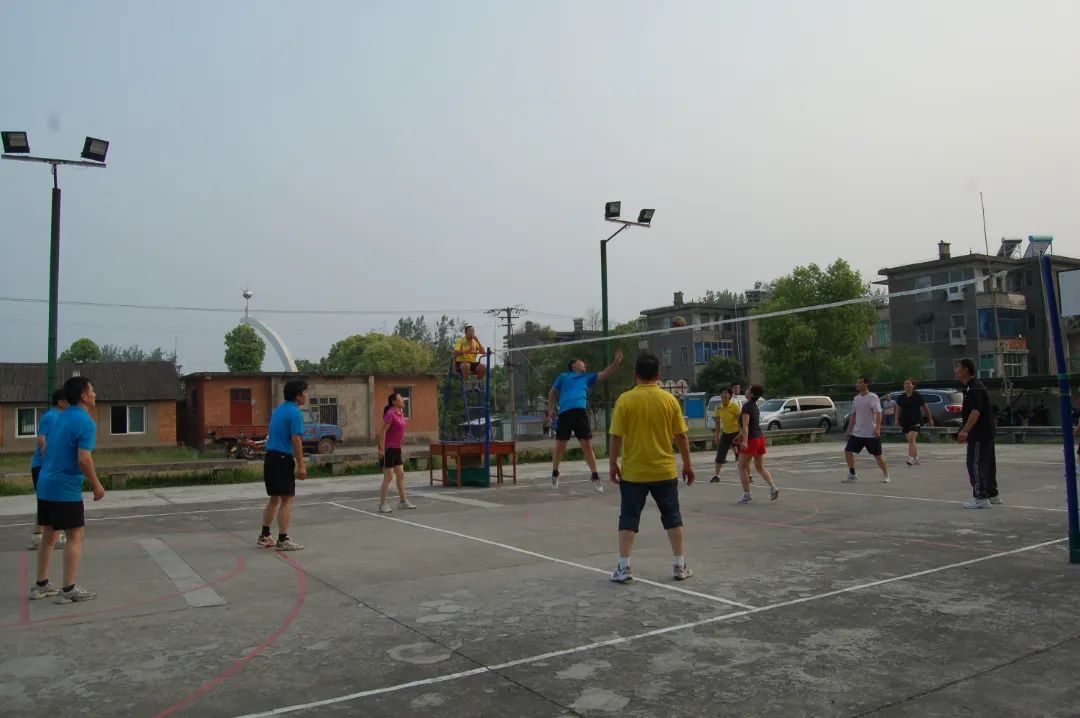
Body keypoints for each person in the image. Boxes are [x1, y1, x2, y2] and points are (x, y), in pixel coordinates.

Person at [608, 353, 695, 583]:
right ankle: (679, 565)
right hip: (664, 470)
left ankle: (624, 567)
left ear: (635, 374)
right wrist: (687, 464)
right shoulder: (669, 400)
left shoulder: (625, 400)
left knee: (628, 518)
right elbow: (681, 436)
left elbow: (616, 437)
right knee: (672, 517)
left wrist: (613, 464)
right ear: (658, 375)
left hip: (634, 472)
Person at [30, 376, 106, 604]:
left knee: (49, 535)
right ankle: (69, 589)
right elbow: (84, 459)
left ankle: (41, 585)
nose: (95, 394)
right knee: (75, 536)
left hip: (46, 484)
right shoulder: (85, 422)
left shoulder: (59, 417)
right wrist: (96, 484)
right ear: (83, 396)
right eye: (92, 390)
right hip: (64, 488)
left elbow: (45, 450)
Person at [548, 349, 624, 492]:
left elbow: (605, 373)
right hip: (565, 414)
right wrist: (550, 409)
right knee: (560, 446)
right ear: (574, 365)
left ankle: (595, 476)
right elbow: (553, 392)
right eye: (582, 362)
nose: (585, 365)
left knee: (587, 446)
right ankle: (555, 473)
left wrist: (616, 363)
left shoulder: (587, 377)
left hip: (580, 414)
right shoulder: (563, 376)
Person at [257, 380, 308, 551]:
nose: (306, 395)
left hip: (271, 457)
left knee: (275, 499)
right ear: (298, 396)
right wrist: (301, 465)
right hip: (282, 459)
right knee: (287, 499)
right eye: (305, 392)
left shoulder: (278, 410)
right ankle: (283, 539)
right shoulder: (295, 413)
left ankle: (265, 535)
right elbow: (296, 440)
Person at [27, 388, 69, 551]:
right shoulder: (51, 417)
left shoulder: (60, 417)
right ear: (61, 402)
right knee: (50, 502)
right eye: (68, 400)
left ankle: (38, 537)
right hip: (43, 466)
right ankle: (46, 537)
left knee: (47, 502)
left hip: (48, 466)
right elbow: (42, 439)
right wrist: (50, 462)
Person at [956, 357, 1000, 508]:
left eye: (958, 368)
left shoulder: (974, 388)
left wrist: (965, 431)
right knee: (987, 464)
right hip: (986, 432)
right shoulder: (972, 387)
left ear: (966, 370)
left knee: (975, 463)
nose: (956, 371)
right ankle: (992, 494)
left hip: (979, 433)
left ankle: (981, 497)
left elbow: (975, 411)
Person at [736, 384, 780, 503]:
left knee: (742, 467)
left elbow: (746, 426)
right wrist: (739, 436)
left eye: (748, 389)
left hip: (751, 439)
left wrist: (744, 441)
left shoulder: (746, 407)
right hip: (760, 438)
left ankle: (747, 494)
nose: (746, 390)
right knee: (760, 467)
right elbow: (752, 425)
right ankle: (773, 488)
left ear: (751, 394)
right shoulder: (755, 406)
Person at [843, 376, 890, 483]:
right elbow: (853, 415)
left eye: (860, 382)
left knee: (877, 456)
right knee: (848, 451)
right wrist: (848, 430)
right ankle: (852, 474)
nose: (857, 384)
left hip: (871, 433)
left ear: (866, 384)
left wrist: (877, 429)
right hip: (857, 432)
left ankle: (886, 474)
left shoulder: (873, 397)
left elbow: (879, 414)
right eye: (857, 382)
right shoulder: (856, 398)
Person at [377, 391, 417, 514]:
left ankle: (403, 501)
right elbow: (383, 431)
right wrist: (381, 449)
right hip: (388, 449)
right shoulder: (390, 414)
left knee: (400, 475)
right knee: (389, 476)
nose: (403, 400)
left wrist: (399, 446)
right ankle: (382, 504)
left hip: (397, 448)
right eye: (400, 398)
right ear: (394, 402)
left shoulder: (400, 412)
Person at [895, 379, 934, 466]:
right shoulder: (901, 397)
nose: (906, 385)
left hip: (915, 421)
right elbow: (898, 409)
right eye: (905, 384)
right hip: (905, 421)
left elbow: (926, 408)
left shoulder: (917, 396)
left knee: (911, 439)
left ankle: (910, 459)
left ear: (913, 385)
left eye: (908, 384)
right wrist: (896, 419)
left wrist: (930, 419)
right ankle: (916, 457)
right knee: (911, 441)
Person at [710, 387, 742, 483]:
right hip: (726, 433)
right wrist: (717, 435)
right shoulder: (718, 407)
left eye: (725, 393)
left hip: (736, 433)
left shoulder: (735, 406)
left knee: (743, 455)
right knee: (720, 454)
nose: (723, 395)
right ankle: (716, 475)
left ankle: (748, 475)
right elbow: (717, 422)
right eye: (722, 393)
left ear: (730, 395)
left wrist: (741, 434)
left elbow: (740, 421)